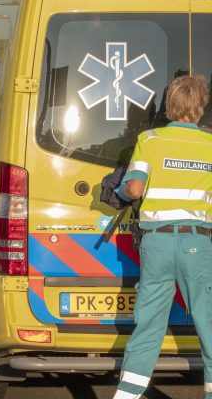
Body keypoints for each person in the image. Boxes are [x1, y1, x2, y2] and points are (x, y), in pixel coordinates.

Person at [113, 75, 212, 399]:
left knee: (149, 325)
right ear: (200, 108)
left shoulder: (150, 139)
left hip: (157, 243)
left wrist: (120, 190)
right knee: (208, 325)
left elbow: (135, 189)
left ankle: (126, 396)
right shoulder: (210, 144)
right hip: (198, 244)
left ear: (169, 106)